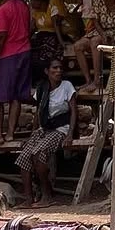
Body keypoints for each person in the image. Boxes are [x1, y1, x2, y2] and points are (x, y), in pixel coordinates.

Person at [15, 58, 76, 206]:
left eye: (60, 68)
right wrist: (34, 132)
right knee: (24, 156)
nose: (58, 71)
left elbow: (74, 112)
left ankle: (47, 195)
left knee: (39, 152)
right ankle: (29, 198)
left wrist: (70, 134)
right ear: (47, 71)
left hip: (61, 128)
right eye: (54, 68)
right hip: (44, 128)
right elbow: (39, 111)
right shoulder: (42, 87)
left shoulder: (67, 86)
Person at [0, 0, 32, 144]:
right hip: (24, 51)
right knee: (17, 96)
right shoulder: (24, 7)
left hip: (8, 55)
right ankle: (10, 133)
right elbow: (29, 28)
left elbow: (1, 38)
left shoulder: (2, 10)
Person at [30, 0, 72, 75]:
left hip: (59, 34)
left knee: (47, 47)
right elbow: (32, 28)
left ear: (39, 0)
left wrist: (61, 42)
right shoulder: (35, 10)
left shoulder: (54, 1)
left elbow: (56, 23)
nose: (31, 2)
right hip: (42, 36)